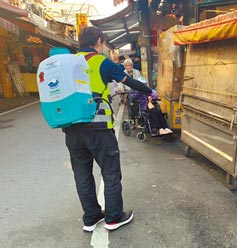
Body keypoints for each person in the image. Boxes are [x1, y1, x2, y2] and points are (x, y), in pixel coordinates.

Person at [63, 26, 157, 232]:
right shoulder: (100, 62)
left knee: (82, 174)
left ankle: (91, 217)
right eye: (103, 42)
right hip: (97, 127)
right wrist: (150, 90)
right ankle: (113, 217)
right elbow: (129, 81)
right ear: (98, 41)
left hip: (71, 129)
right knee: (111, 172)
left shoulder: (67, 63)